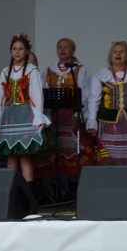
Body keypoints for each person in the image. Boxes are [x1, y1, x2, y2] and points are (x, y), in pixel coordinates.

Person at [0, 33, 52, 199]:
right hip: (9, 117)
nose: (17, 52)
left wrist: (38, 117)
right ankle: (12, 195)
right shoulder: (5, 71)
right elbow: (0, 98)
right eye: (14, 49)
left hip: (25, 115)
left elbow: (36, 95)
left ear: (27, 51)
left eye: (21, 49)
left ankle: (29, 196)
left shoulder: (32, 70)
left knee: (24, 156)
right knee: (11, 158)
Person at [39, 37, 98, 198]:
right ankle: (56, 195)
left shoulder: (79, 69)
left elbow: (85, 93)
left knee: (73, 153)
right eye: (60, 47)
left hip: (71, 117)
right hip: (55, 117)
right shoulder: (49, 70)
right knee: (56, 155)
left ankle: (73, 194)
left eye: (66, 47)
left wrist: (79, 113)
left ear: (73, 50)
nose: (62, 50)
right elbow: (43, 93)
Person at [91, 41, 127, 165]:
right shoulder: (100, 76)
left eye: (122, 51)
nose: (118, 54)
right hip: (108, 124)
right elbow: (93, 101)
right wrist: (91, 121)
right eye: (115, 52)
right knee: (111, 155)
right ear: (110, 56)